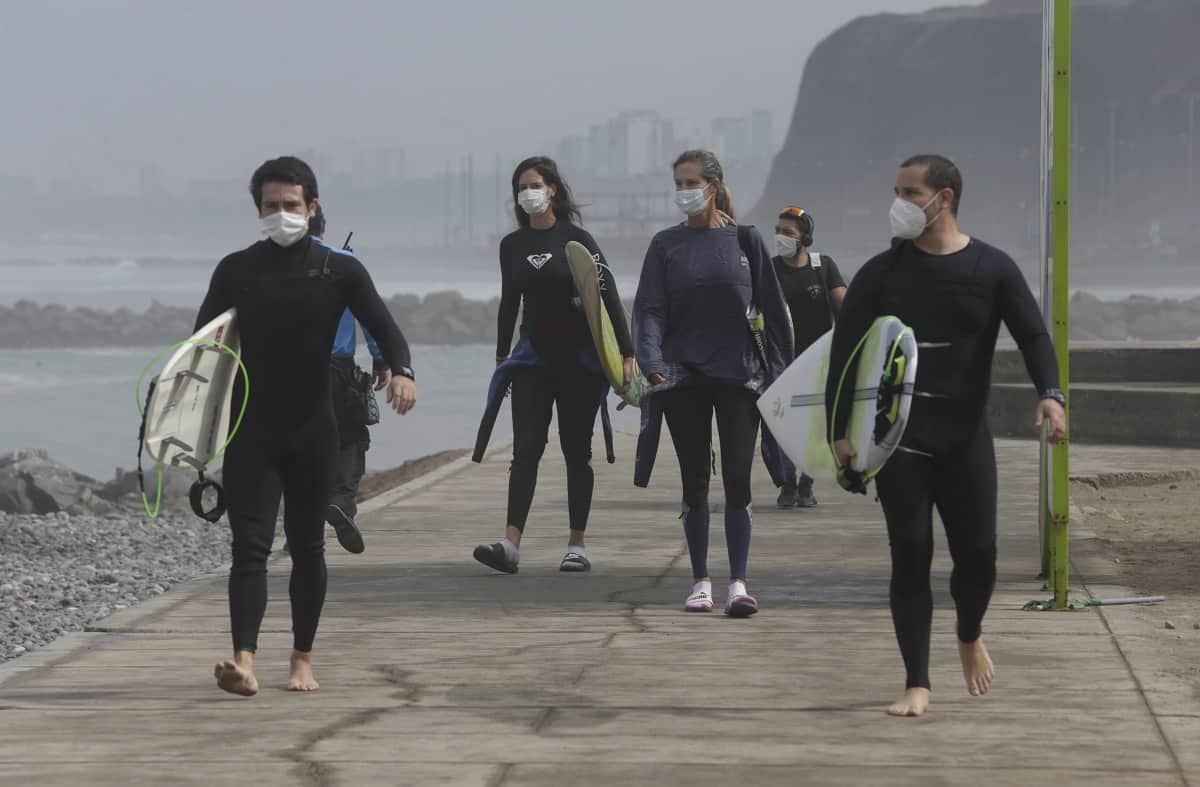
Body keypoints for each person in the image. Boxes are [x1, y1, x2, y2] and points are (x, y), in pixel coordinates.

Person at [826, 154, 1066, 717]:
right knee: (911, 553)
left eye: (910, 192)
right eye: (897, 190)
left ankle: (969, 632)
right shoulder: (881, 273)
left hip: (965, 439)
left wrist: (1051, 395)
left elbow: (1033, 334)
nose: (899, 202)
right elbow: (844, 355)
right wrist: (840, 433)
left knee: (979, 558)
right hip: (897, 444)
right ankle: (917, 682)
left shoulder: (991, 268)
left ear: (945, 197)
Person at [196, 156, 417, 697]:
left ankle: (301, 660)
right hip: (252, 429)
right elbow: (202, 346)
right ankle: (243, 660)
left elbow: (387, 331)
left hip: (314, 429)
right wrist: (189, 426)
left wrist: (403, 374)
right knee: (248, 548)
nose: (281, 214)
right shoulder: (237, 270)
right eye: (270, 206)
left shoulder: (339, 270)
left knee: (307, 547)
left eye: (290, 205)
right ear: (258, 210)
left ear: (311, 207)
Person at [632, 149, 793, 617]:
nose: (684, 191)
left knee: (739, 479)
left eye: (690, 182)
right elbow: (650, 309)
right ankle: (700, 580)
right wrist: (651, 360)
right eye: (678, 183)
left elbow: (774, 311)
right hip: (683, 377)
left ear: (713, 184)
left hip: (740, 376)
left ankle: (738, 583)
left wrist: (780, 376)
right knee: (695, 479)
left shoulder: (746, 241)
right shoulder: (665, 245)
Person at [471, 156, 634, 575]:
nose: (528, 194)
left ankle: (577, 545)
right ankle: (510, 545)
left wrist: (628, 354)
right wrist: (501, 357)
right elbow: (510, 302)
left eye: (534, 185)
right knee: (526, 449)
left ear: (552, 190)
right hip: (533, 361)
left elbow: (608, 295)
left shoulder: (577, 241)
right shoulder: (513, 245)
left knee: (576, 452)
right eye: (521, 188)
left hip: (578, 363)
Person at [307, 205, 391, 555]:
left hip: (293, 373)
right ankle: (342, 501)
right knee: (352, 441)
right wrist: (382, 358)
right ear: (322, 225)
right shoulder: (344, 264)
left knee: (304, 450)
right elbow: (370, 315)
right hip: (339, 372)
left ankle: (304, 526)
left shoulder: (277, 267)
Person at [766, 207, 846, 508]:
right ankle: (787, 482)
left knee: (815, 427)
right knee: (784, 424)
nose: (780, 237)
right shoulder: (770, 269)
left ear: (805, 237)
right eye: (777, 231)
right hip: (781, 361)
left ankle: (807, 483)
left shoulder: (823, 267)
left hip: (818, 361)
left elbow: (844, 306)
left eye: (788, 232)